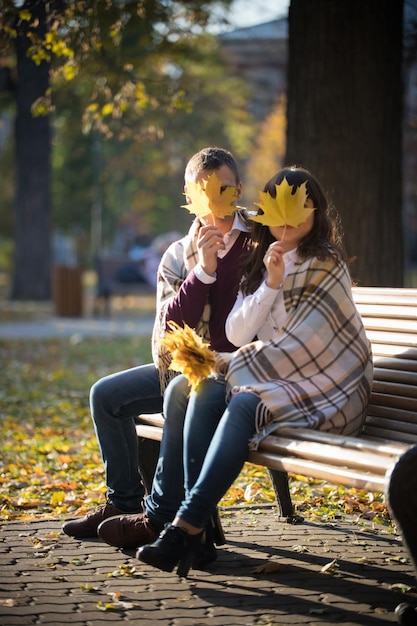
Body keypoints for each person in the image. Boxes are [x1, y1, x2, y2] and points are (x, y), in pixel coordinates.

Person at [136, 165, 374, 578]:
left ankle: (184, 526)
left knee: (235, 393)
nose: (289, 218)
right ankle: (196, 530)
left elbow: (314, 342)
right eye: (278, 208)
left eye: (301, 207)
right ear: (263, 211)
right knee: (201, 389)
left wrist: (231, 363)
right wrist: (271, 283)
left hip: (331, 386)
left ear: (317, 212)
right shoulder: (263, 261)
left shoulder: (325, 262)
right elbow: (236, 330)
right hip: (277, 381)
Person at [62, 147, 251, 562]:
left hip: (234, 374)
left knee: (182, 392)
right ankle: (123, 501)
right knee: (106, 396)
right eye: (203, 195)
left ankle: (161, 517)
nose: (214, 206)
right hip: (179, 370)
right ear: (188, 195)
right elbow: (170, 327)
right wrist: (202, 269)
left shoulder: (258, 242)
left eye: (224, 191)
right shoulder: (177, 252)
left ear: (238, 189)